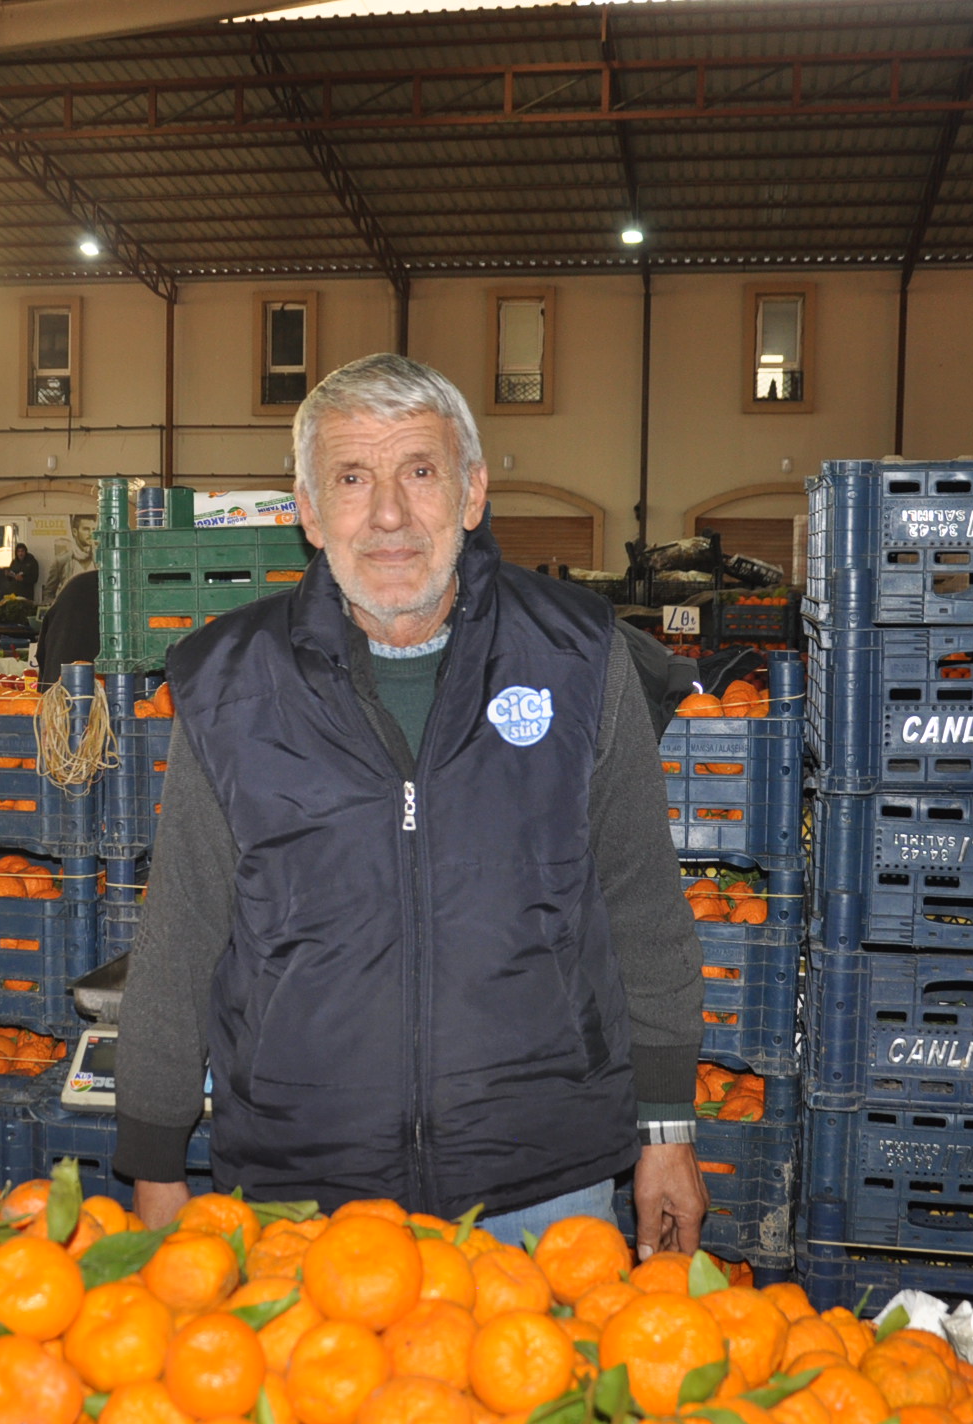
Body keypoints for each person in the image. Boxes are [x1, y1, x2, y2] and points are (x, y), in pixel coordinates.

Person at [114, 354, 708, 1250]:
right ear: (310, 511)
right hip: (302, 1196)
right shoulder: (230, 682)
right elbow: (182, 936)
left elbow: (643, 904)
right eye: (352, 478)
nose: (388, 514)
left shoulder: (581, 656)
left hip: (542, 1187)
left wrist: (665, 1129)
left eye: (420, 472)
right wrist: (156, 1166)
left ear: (471, 494)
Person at [32, 568, 98, 684]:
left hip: (59, 681)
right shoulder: (79, 587)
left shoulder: (77, 586)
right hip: (103, 687)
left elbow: (42, 653)